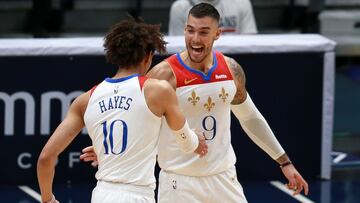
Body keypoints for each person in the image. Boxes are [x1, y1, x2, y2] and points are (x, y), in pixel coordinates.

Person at [81, 3, 309, 203]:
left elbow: (250, 117)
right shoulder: (163, 75)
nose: (195, 39)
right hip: (179, 183)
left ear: (217, 34)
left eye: (203, 32)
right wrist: (106, 149)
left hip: (224, 178)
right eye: (190, 31)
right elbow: (135, 121)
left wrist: (284, 162)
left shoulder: (231, 70)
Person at [37, 16, 208, 203]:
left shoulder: (85, 100)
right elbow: (186, 143)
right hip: (137, 195)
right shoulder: (158, 90)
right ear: (148, 56)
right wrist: (195, 139)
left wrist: (48, 199)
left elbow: (46, 158)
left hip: (101, 194)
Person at [168, 0, 258, 35]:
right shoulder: (180, 7)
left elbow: (249, 44)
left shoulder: (242, 3)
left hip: (235, 64)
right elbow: (178, 51)